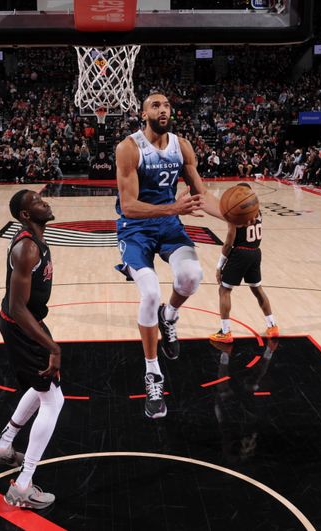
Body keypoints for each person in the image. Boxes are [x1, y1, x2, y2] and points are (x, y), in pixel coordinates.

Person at [114, 91, 223, 419]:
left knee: (192, 276)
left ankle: (170, 315)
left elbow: (201, 195)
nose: (162, 110)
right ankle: (153, 374)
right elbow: (130, 206)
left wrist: (235, 218)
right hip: (134, 228)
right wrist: (174, 206)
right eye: (155, 106)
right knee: (149, 292)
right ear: (143, 113)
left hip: (168, 226)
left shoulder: (182, 146)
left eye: (166, 105)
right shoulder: (129, 148)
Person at [0, 190, 62, 510]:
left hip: (28, 322)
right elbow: (17, 308)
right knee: (54, 400)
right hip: (21, 325)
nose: (46, 202)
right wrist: (51, 346)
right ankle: (23, 485)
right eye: (38, 202)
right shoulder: (27, 247)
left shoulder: (32, 238)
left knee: (44, 386)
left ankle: (2, 447)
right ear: (26, 215)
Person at [209, 184, 278, 343]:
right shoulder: (257, 211)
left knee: (224, 290)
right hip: (255, 252)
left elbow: (228, 242)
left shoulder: (237, 212)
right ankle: (272, 325)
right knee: (257, 289)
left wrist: (219, 265)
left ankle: (225, 332)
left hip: (240, 252)